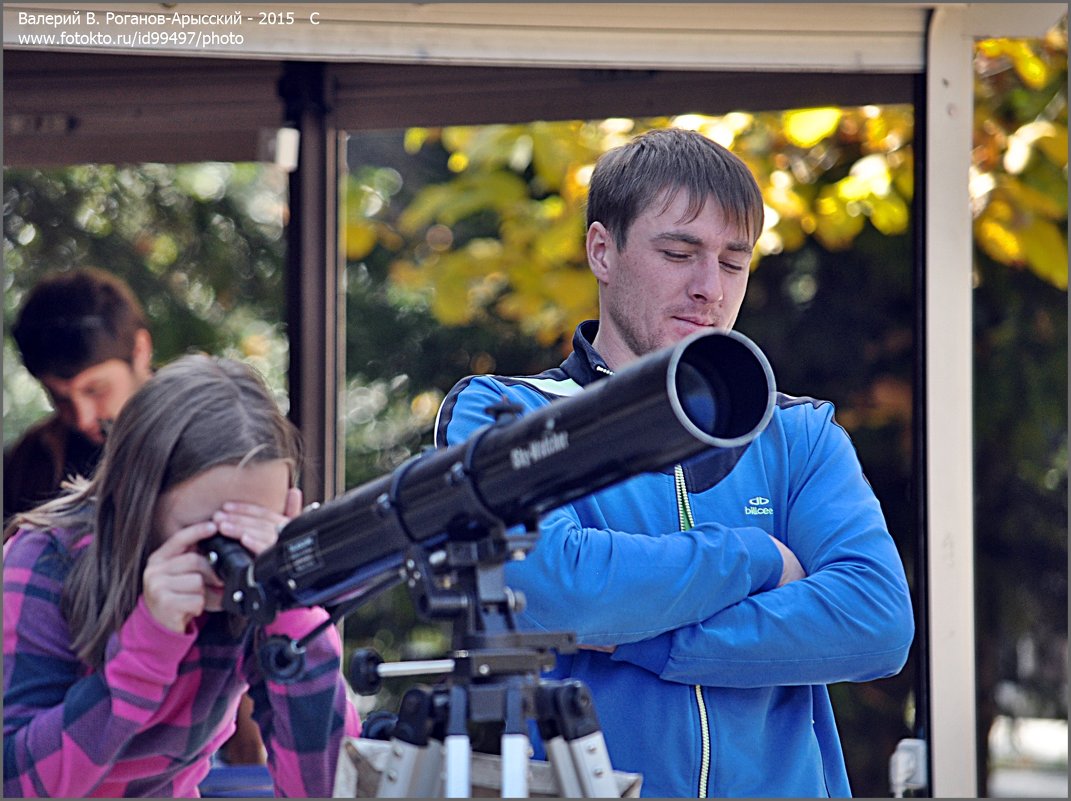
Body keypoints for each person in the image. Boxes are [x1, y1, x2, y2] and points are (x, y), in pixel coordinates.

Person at [435, 127, 914, 797]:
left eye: (732, 261)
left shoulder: (799, 431)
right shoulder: (502, 415)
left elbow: (876, 623)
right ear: (602, 250)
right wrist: (758, 558)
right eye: (678, 252)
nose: (708, 288)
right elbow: (551, 592)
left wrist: (646, 640)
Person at [3, 354, 361, 797]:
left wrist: (293, 614)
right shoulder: (47, 559)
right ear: (138, 501)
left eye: (250, 535)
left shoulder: (255, 579)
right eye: (209, 536)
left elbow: (329, 790)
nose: (231, 565)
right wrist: (142, 657)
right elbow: (14, 784)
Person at [5, 268, 154, 525]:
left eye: (95, 390)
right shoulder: (29, 463)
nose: (83, 419)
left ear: (140, 350)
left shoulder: (203, 431)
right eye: (59, 397)